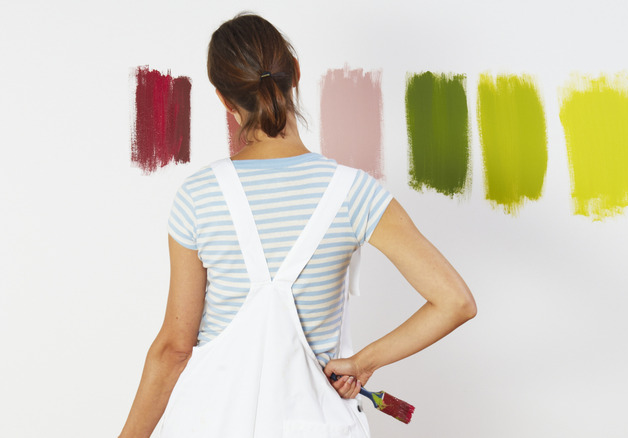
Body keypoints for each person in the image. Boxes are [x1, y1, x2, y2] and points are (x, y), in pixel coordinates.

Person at [119, 12, 476, 438]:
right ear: (296, 74)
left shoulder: (200, 196)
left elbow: (175, 349)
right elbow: (456, 302)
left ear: (223, 100)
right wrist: (364, 362)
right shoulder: (353, 193)